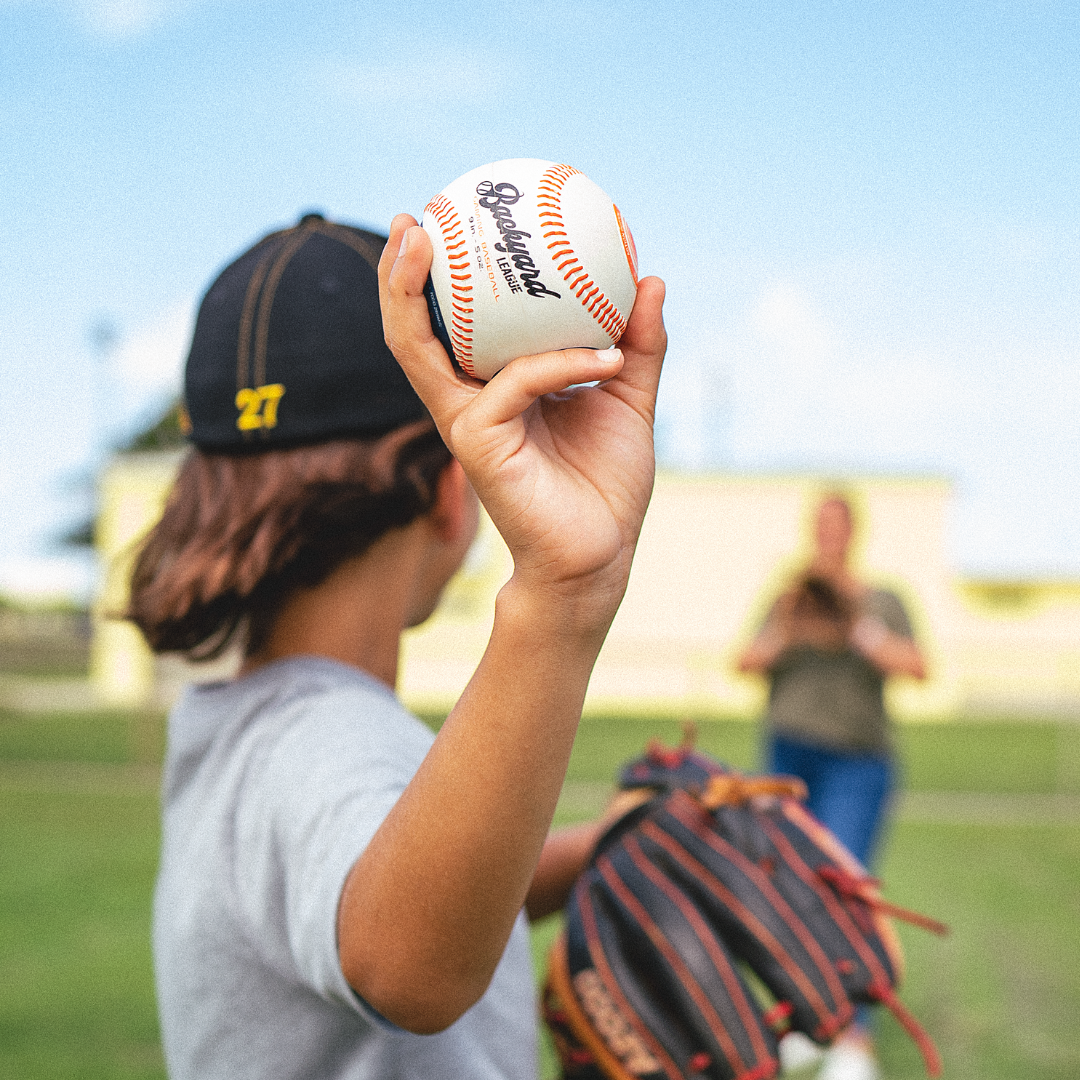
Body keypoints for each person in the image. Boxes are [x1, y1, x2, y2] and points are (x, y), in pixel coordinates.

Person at [127, 210, 666, 1079]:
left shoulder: (246, 726)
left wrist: (593, 847)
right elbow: (406, 963)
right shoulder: (328, 739)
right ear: (453, 491)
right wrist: (562, 595)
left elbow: (382, 868)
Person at [736, 493, 926, 1080]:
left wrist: (858, 627)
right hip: (789, 761)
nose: (828, 535)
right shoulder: (789, 596)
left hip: (857, 762)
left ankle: (854, 1041)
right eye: (820, 524)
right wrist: (792, 627)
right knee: (792, 894)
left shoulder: (881, 598)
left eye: (837, 525)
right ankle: (806, 1023)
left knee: (845, 892)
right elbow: (745, 661)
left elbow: (918, 666)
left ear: (854, 533)